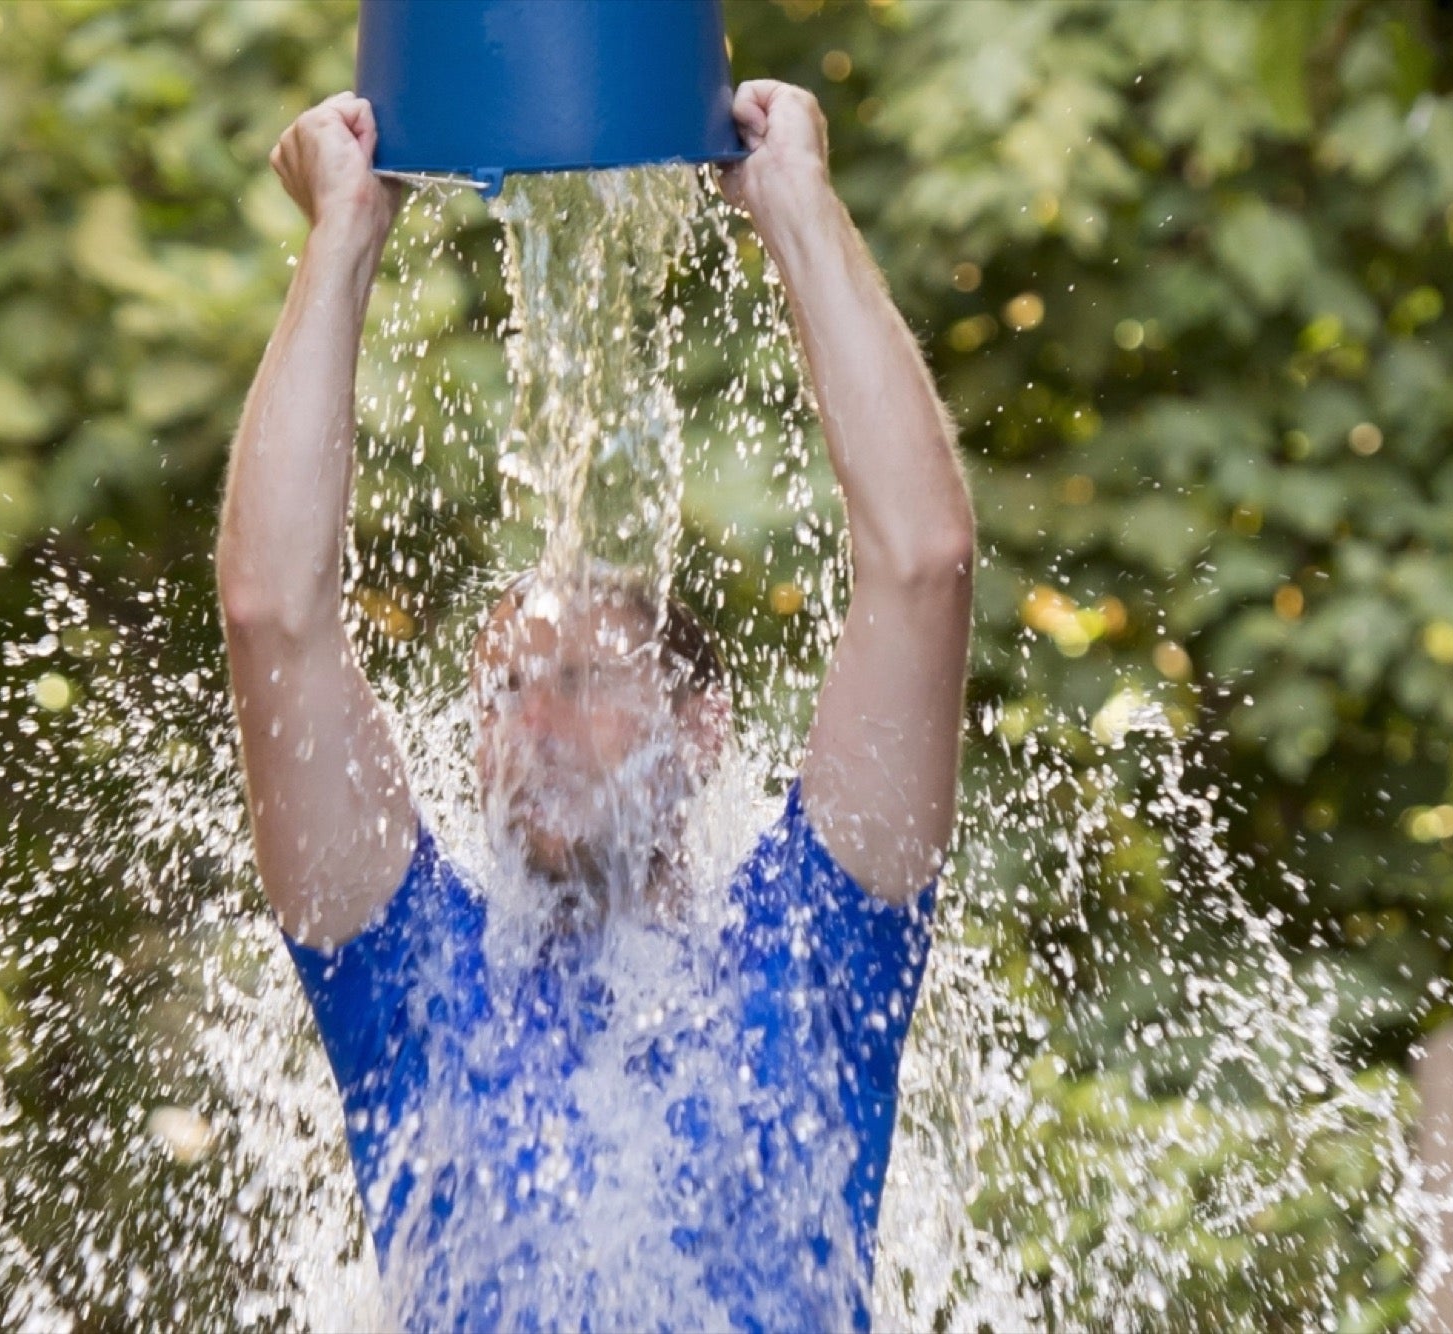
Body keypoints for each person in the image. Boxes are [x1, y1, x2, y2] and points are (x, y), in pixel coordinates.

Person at [218, 80, 975, 1332]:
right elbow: (270, 617)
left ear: (701, 727)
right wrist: (341, 237)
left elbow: (922, 562)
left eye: (584, 681)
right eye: (503, 689)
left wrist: (792, 203)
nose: (535, 724)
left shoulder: (817, 948)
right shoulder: (410, 982)